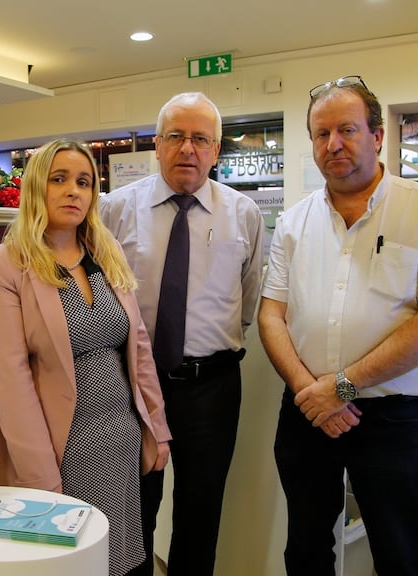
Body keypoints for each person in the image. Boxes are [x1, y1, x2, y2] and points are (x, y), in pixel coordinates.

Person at [258, 75, 418, 575]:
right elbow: (272, 314)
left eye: (347, 130)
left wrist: (344, 387)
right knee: (306, 550)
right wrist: (314, 391)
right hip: (307, 413)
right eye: (321, 133)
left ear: (376, 136)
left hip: (389, 418)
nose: (334, 144)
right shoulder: (294, 221)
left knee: (401, 554)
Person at [0, 138, 172, 576]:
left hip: (120, 437)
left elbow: (137, 347)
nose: (73, 191)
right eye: (59, 179)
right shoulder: (3, 266)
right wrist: (40, 478)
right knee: (77, 560)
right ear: (35, 189)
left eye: (84, 182)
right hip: (64, 448)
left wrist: (156, 427)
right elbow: (11, 381)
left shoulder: (106, 253)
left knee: (125, 556)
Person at [100, 92, 264, 575]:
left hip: (211, 386)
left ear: (216, 150)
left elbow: (249, 296)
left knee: (201, 511)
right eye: (176, 137)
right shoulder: (116, 210)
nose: (187, 149)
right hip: (131, 385)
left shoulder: (243, 214)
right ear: (157, 144)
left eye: (200, 139)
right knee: (134, 511)